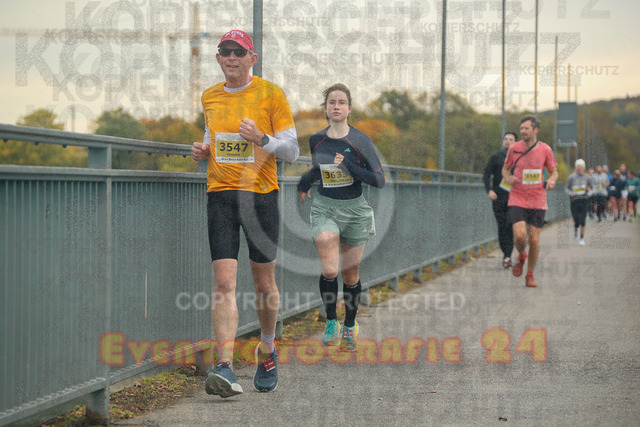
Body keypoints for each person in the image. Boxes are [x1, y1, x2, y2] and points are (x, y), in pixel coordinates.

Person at [190, 29, 299, 398]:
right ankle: (224, 366)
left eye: (239, 52)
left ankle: (267, 350)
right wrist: (204, 149)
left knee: (263, 284)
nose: (232, 57)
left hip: (260, 197)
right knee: (223, 283)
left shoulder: (271, 94)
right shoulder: (209, 96)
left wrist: (261, 139)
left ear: (253, 58)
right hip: (220, 195)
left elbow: (293, 151)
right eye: (226, 51)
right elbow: (213, 134)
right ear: (218, 58)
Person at [297, 83, 385, 351]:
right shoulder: (316, 139)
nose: (336, 106)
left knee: (350, 274)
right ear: (325, 108)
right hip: (325, 207)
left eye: (341, 102)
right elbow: (319, 169)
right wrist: (305, 182)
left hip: (355, 211)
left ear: (349, 109)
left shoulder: (360, 140)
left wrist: (349, 167)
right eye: (332, 102)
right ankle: (331, 321)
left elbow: (379, 180)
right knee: (330, 269)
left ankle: (349, 325)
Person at [502, 115, 558, 288]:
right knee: (520, 236)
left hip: (537, 199)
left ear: (536, 130)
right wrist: (508, 177)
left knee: (534, 240)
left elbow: (554, 171)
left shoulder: (545, 149)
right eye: (521, 128)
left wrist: (552, 180)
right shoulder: (514, 148)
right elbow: (505, 169)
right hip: (517, 197)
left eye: (527, 128)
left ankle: (530, 274)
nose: (523, 131)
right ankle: (521, 255)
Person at [483, 131, 517, 268]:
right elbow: (486, 175)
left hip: (515, 198)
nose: (507, 141)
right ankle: (506, 254)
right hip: (498, 197)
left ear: (516, 142)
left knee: (510, 225)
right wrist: (489, 190)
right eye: (505, 139)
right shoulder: (496, 157)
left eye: (511, 139)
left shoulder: (520, 158)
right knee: (502, 226)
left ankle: (507, 256)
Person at [566, 159, 594, 246]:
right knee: (576, 220)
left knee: (583, 220)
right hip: (574, 200)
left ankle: (581, 238)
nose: (579, 168)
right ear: (576, 167)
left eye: (581, 167)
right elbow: (566, 188)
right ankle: (576, 231)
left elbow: (593, 188)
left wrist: (589, 193)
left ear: (584, 168)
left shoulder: (587, 177)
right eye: (578, 167)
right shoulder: (571, 177)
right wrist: (571, 193)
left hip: (584, 200)